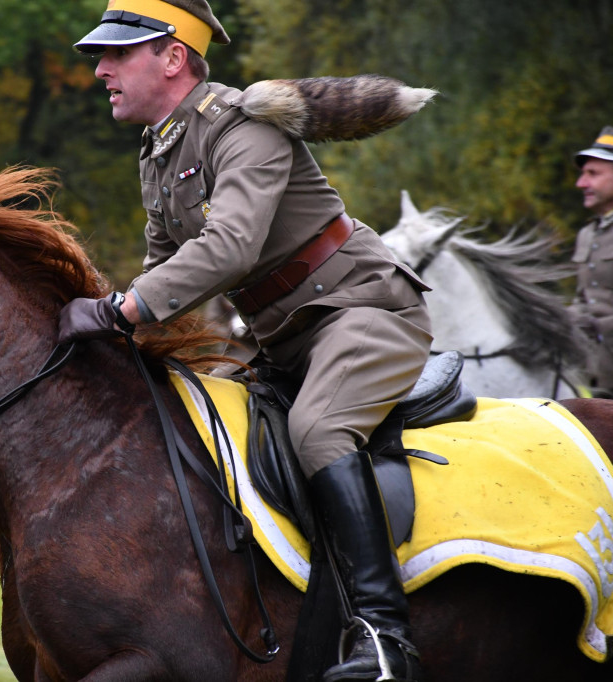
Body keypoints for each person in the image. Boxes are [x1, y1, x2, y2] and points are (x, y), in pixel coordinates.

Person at [58, 2, 432, 680]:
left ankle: (385, 640)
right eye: (100, 58)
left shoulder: (244, 127)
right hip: (286, 342)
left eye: (116, 54)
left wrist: (123, 306)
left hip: (365, 311)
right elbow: (166, 274)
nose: (101, 70)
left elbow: (229, 247)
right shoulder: (162, 149)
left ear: (172, 57)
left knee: (320, 433)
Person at [570, 126, 613, 396]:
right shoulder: (587, 234)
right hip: (597, 375)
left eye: (592, 174)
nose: (581, 184)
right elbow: (582, 299)